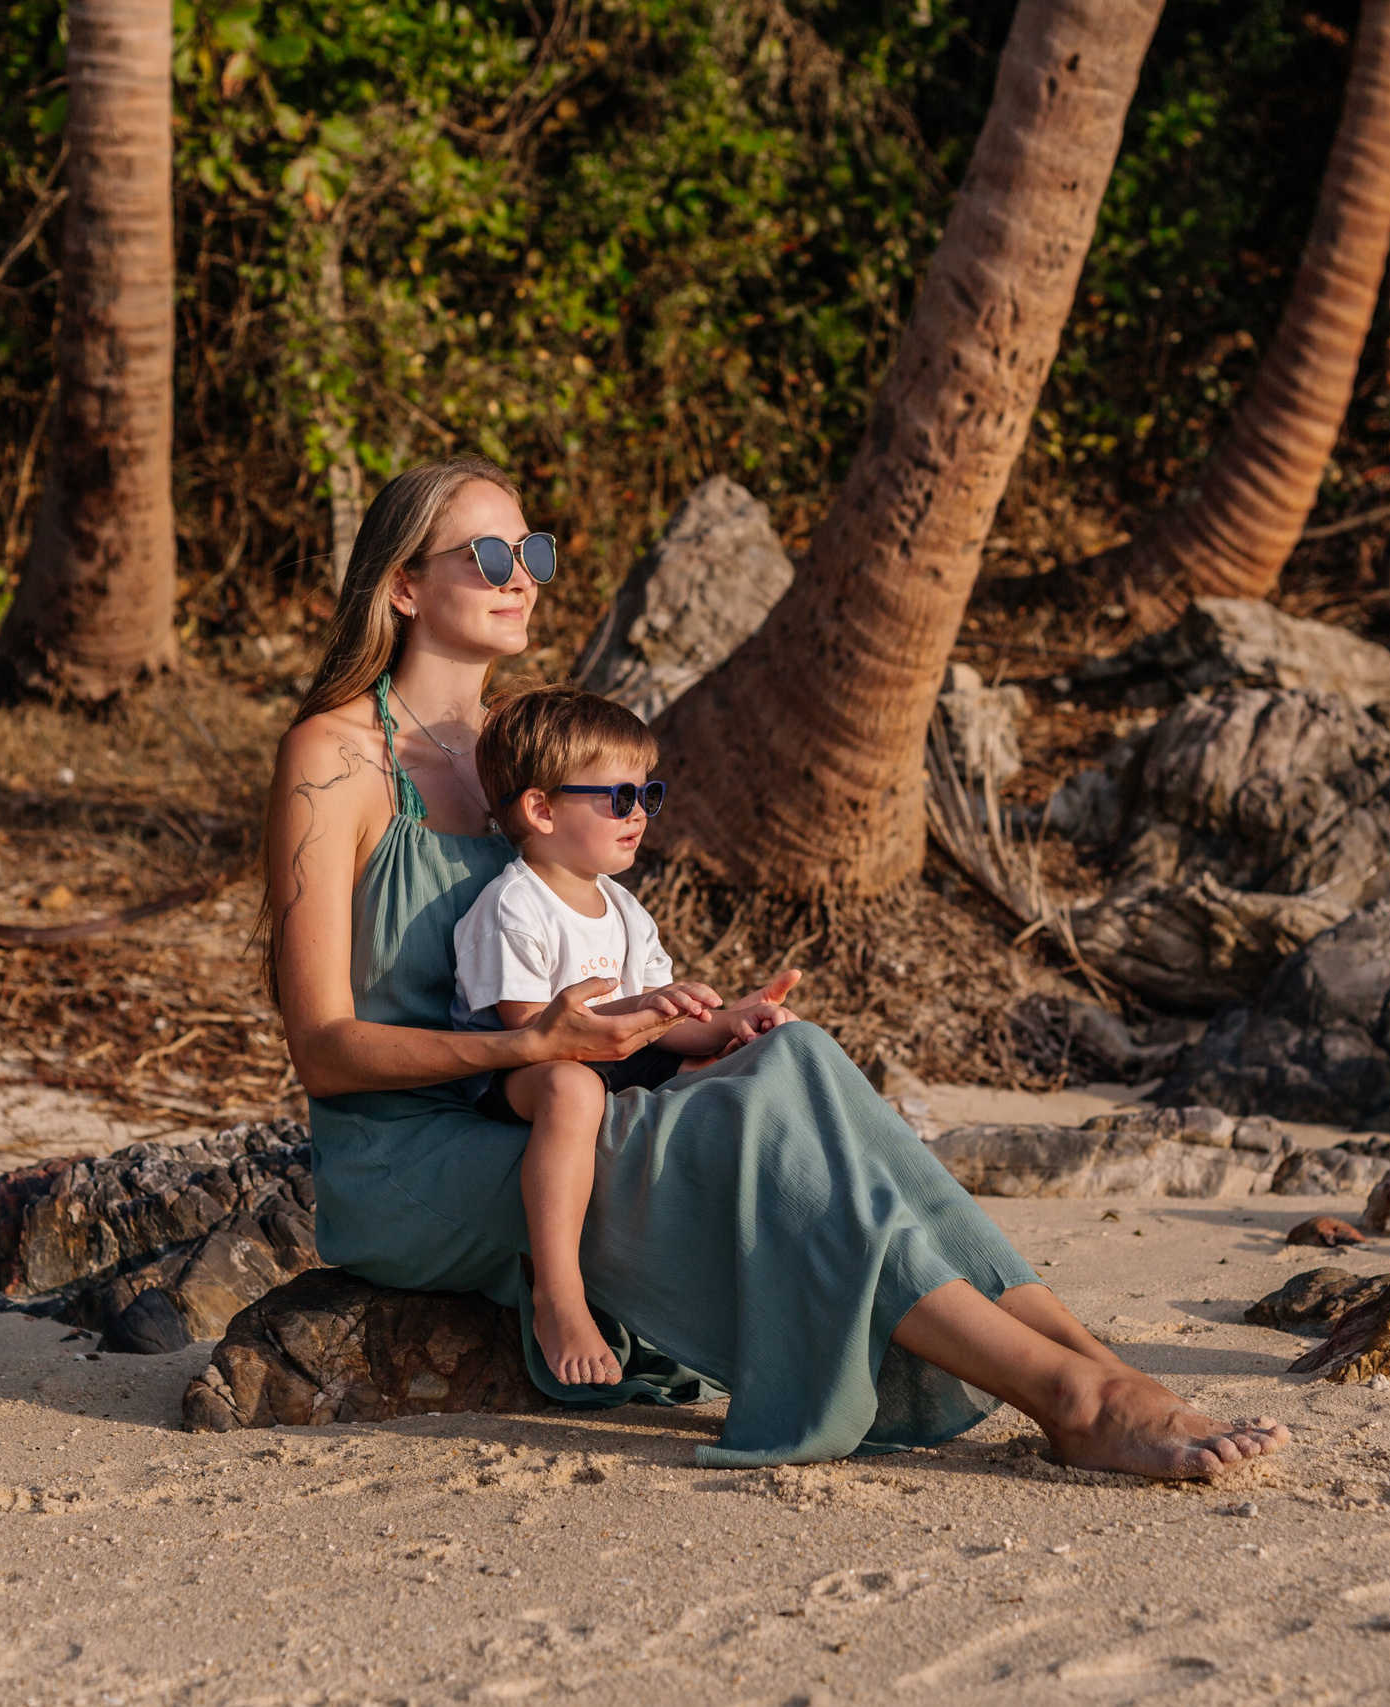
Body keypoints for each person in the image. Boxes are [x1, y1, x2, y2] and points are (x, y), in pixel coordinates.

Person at [263, 454, 1290, 1475]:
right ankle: (1072, 1398)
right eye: (489, 554)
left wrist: (692, 1018)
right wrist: (532, 1040)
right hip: (415, 1158)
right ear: (401, 584)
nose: (523, 575)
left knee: (794, 1060)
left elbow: (591, 955)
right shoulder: (334, 759)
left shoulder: (528, 758)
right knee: (744, 1135)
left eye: (532, 551)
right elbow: (322, 1052)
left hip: (554, 1095)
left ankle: (1095, 1362)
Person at [455, 685, 796, 1386]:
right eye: (617, 798)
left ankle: (758, 1276)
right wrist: (644, 1013)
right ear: (541, 809)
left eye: (647, 794)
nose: (638, 813)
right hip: (521, 1073)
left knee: (738, 1070)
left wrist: (730, 1020)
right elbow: (529, 1030)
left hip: (617, 1057)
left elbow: (665, 1027)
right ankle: (559, 1293)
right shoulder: (513, 904)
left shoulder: (625, 907)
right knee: (573, 1087)